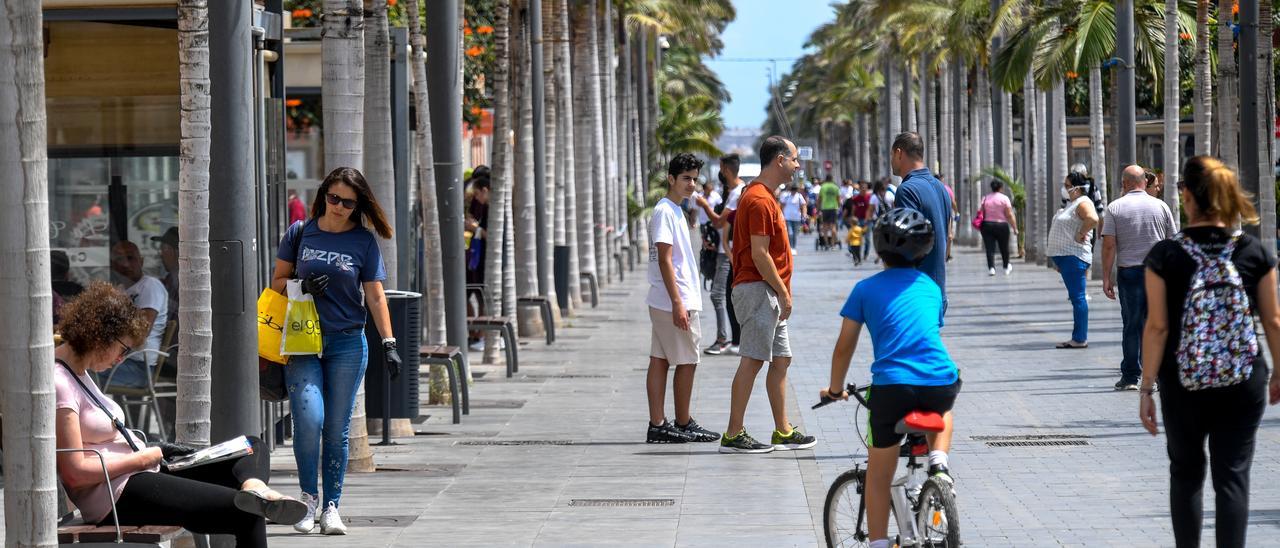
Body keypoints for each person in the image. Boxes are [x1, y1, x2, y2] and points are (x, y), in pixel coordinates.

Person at [54, 282, 307, 548]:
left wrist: (150, 455)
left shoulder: (79, 372)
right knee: (248, 513)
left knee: (251, 447)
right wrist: (143, 458)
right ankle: (255, 497)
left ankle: (254, 487)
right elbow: (76, 472)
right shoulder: (61, 381)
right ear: (101, 335)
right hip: (117, 494)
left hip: (142, 473)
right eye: (123, 349)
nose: (121, 359)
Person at [1138, 156, 1280, 547]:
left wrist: (1146, 388)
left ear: (1186, 196)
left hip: (1183, 380)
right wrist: (1279, 372)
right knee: (1232, 475)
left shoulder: (1165, 256)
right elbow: (1273, 322)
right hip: (1243, 377)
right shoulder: (1254, 252)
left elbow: (1158, 327)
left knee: (1186, 472)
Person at [272, 167, 402, 535]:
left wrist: (389, 343)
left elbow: (376, 297)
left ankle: (332, 506)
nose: (339, 207)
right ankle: (307, 499)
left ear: (357, 205)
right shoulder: (301, 233)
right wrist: (303, 283)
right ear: (324, 194)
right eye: (334, 198)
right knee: (309, 420)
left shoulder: (363, 241)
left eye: (348, 202)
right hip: (302, 340)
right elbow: (277, 282)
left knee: (336, 429)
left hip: (347, 341)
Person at [821, 208, 961, 548]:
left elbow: (844, 348)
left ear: (878, 248)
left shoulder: (864, 289)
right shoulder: (930, 287)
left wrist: (835, 389)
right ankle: (939, 465)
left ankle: (880, 543)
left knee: (878, 476)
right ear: (924, 250)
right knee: (943, 408)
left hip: (892, 387)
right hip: (941, 381)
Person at [719, 136, 817, 454]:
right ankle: (733, 433)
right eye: (793, 159)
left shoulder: (764, 196)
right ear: (779, 160)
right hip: (760, 289)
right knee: (753, 359)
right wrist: (783, 292)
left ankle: (782, 430)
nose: (797, 165)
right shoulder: (759, 199)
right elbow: (760, 255)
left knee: (781, 359)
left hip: (767, 291)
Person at [645, 154, 721, 444]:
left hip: (667, 298)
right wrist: (678, 302)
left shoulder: (676, 209)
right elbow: (664, 259)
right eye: (686, 178)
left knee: (660, 360)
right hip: (674, 299)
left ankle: (659, 424)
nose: (691, 184)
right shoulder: (665, 211)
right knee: (688, 360)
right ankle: (682, 421)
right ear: (671, 179)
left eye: (694, 178)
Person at [1102, 164, 1177, 390]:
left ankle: (1131, 377)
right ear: (1145, 182)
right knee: (1156, 324)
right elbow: (1172, 241)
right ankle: (1155, 375)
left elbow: (1109, 245)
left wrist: (1107, 277)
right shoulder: (1161, 206)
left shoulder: (1115, 207)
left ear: (1124, 184)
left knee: (1132, 325)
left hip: (1130, 273)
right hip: (1158, 273)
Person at [693, 154, 745, 356]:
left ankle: (724, 338)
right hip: (725, 250)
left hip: (729, 252)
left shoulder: (737, 193)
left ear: (725, 169)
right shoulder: (732, 192)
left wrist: (704, 205)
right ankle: (732, 338)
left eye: (721, 169)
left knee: (718, 294)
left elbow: (719, 222)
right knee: (727, 295)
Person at [890, 132, 952, 298]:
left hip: (915, 291)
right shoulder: (941, 188)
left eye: (891, 155)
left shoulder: (907, 190)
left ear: (899, 153)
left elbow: (907, 242)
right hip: (938, 291)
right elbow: (949, 238)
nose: (891, 161)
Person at [103, 240, 168, 389]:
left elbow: (141, 332)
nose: (125, 264)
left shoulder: (150, 285)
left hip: (140, 368)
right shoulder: (120, 290)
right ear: (113, 265)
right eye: (119, 260)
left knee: (80, 369)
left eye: (130, 258)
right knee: (77, 365)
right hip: (120, 362)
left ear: (141, 261)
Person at [1047, 172, 1100, 349]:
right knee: (1076, 297)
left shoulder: (1083, 202)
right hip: (1067, 258)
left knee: (1078, 298)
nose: (1065, 188)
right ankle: (1078, 337)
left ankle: (1079, 338)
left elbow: (1093, 219)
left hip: (1074, 257)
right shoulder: (1073, 204)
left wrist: (1080, 234)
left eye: (1067, 185)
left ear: (1077, 188)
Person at [977, 180, 1018, 277]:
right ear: (1000, 188)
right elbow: (1009, 214)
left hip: (987, 225)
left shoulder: (986, 198)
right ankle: (1006, 266)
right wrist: (1014, 227)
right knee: (1004, 247)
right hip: (1001, 225)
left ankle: (991, 268)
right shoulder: (1004, 198)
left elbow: (980, 211)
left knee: (989, 248)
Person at [779, 183, 807, 252]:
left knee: (795, 233)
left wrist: (804, 214)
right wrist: (781, 214)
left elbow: (803, 205)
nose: (793, 191)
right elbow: (782, 205)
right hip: (788, 217)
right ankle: (790, 247)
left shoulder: (799, 196)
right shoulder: (786, 196)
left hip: (796, 218)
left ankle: (794, 247)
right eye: (792, 190)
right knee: (790, 233)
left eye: (795, 190)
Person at [817, 176, 841, 250]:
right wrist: (839, 207)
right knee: (833, 226)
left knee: (825, 227)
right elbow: (838, 199)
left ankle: (826, 244)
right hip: (833, 208)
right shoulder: (835, 187)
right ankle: (833, 244)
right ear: (832, 179)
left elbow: (819, 199)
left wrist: (818, 208)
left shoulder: (823, 187)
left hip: (825, 208)